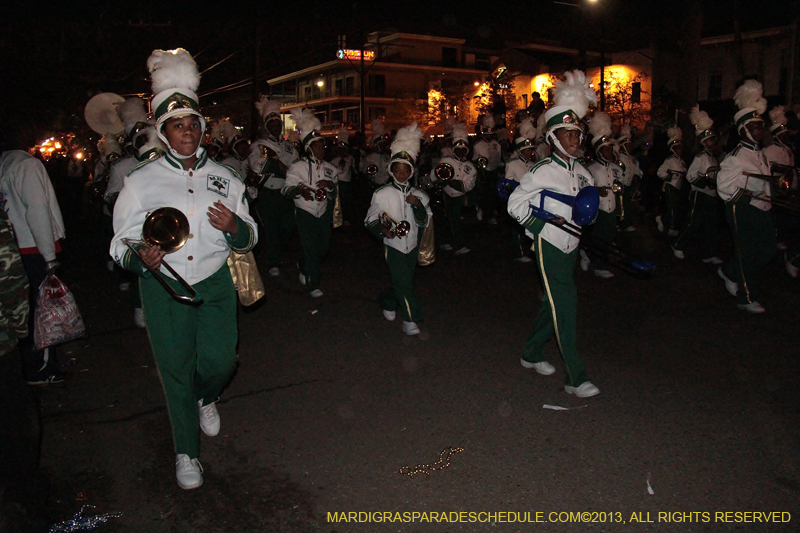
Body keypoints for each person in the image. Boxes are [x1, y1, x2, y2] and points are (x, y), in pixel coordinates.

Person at [110, 48, 258, 490]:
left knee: (220, 361)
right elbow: (119, 243)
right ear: (164, 132)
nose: (188, 131)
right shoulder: (140, 181)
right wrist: (141, 257)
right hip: (164, 284)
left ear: (202, 129)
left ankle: (207, 395)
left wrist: (235, 227)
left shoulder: (229, 178)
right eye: (178, 125)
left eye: (194, 123)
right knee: (175, 369)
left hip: (214, 280)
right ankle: (186, 453)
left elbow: (251, 236)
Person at [507, 70, 600, 399]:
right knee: (567, 303)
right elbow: (515, 204)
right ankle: (576, 376)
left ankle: (531, 352)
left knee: (553, 304)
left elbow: (586, 212)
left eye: (577, 133)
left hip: (571, 245)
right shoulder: (542, 171)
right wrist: (541, 225)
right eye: (568, 134)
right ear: (555, 138)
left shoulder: (584, 173)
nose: (575, 139)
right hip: (549, 245)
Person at [0, 148, 67, 385]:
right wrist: (49, 256)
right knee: (43, 311)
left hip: (18, 246)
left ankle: (32, 363)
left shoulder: (7, 162)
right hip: (34, 247)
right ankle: (42, 367)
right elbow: (37, 209)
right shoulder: (26, 165)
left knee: (25, 310)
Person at [365, 123, 432, 336]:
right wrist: (383, 231)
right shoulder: (381, 194)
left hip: (411, 245)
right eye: (398, 169)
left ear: (412, 171)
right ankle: (411, 319)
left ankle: (388, 302)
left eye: (406, 170)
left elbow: (424, 223)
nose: (402, 174)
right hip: (392, 246)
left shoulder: (420, 196)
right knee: (405, 284)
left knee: (403, 282)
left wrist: (418, 206)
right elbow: (370, 219)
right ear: (391, 170)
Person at [716, 80, 775, 313]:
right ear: (744, 130)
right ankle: (746, 297)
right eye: (756, 127)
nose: (761, 131)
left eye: (761, 126)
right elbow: (723, 186)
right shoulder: (737, 156)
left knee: (768, 249)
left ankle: (730, 271)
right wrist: (748, 198)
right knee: (747, 251)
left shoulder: (759, 154)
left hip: (761, 206)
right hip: (742, 207)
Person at [107, 98, 165, 327]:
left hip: (161, 221)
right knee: (141, 266)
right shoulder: (122, 167)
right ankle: (139, 305)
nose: (145, 140)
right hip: (137, 221)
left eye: (147, 135)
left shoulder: (163, 160)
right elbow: (110, 194)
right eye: (140, 138)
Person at [282, 108, 338, 298]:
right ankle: (313, 284)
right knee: (311, 248)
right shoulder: (297, 166)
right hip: (305, 211)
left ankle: (305, 265)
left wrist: (330, 185)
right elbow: (286, 189)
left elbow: (334, 193)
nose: (322, 149)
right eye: (318, 146)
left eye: (323, 146)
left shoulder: (331, 169)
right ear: (309, 148)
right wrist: (300, 190)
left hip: (323, 212)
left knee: (323, 247)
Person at [248, 98, 299, 277]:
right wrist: (276, 165)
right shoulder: (258, 145)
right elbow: (256, 165)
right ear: (267, 126)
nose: (275, 126)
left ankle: (278, 251)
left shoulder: (289, 147)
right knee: (271, 229)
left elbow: (295, 168)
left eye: (278, 122)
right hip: (267, 193)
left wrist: (285, 169)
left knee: (287, 227)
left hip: (285, 192)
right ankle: (273, 261)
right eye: (272, 123)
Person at [671, 106, 722, 264]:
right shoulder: (700, 157)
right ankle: (678, 245)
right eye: (709, 140)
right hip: (699, 194)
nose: (712, 142)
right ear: (703, 142)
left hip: (710, 195)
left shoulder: (713, 157)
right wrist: (706, 182)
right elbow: (691, 175)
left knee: (711, 226)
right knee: (693, 222)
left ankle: (709, 253)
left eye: (713, 139)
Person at [429, 122, 477, 255]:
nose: (460, 152)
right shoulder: (446, 160)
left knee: (452, 219)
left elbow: (469, 184)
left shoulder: (470, 166)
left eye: (463, 150)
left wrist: (453, 182)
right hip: (447, 194)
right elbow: (434, 175)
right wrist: (439, 179)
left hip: (460, 195)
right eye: (458, 149)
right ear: (454, 150)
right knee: (454, 218)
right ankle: (459, 245)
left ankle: (445, 241)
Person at [583, 111, 621, 279]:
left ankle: (588, 254)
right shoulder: (591, 168)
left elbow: (620, 184)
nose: (609, 152)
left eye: (610, 148)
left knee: (610, 236)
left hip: (612, 206)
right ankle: (599, 265)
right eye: (605, 149)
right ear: (598, 151)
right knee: (600, 237)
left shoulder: (616, 168)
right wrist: (597, 190)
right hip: (598, 208)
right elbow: (584, 188)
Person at [503, 117, 537, 262]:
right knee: (517, 227)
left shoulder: (533, 164)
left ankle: (529, 249)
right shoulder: (513, 164)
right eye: (527, 150)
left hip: (532, 199)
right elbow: (507, 184)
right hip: (518, 198)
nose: (530, 153)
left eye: (531, 150)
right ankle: (519, 251)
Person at [656, 126, 686, 237]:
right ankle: (673, 228)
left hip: (679, 187)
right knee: (672, 207)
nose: (679, 150)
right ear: (673, 149)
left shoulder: (682, 162)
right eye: (677, 148)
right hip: (670, 186)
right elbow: (660, 172)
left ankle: (662, 219)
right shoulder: (669, 160)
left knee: (676, 207)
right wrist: (669, 177)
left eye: (680, 147)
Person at [615, 125, 643, 231]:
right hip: (620, 185)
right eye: (628, 145)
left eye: (631, 145)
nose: (631, 147)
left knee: (626, 205)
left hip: (628, 185)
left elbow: (637, 171)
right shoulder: (618, 157)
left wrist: (636, 176)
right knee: (619, 205)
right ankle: (620, 223)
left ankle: (625, 223)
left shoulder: (632, 159)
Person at [330, 128, 356, 225]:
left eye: (343, 149)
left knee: (347, 202)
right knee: (339, 203)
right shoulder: (334, 160)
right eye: (340, 149)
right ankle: (338, 219)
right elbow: (337, 171)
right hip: (338, 183)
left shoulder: (350, 159)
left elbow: (353, 170)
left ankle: (347, 218)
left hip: (347, 183)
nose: (342, 151)